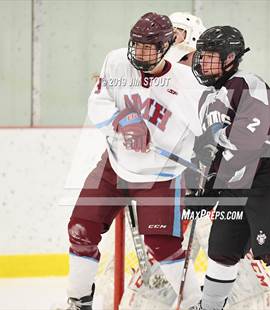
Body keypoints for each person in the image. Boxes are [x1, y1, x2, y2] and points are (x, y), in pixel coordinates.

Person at [66, 12, 204, 310]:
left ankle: (195, 303)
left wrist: (159, 137)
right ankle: (78, 302)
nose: (140, 53)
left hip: (160, 174)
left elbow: (201, 129)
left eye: (149, 47)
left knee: (162, 244)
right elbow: (99, 100)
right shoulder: (116, 61)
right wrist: (124, 118)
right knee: (81, 228)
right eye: (137, 45)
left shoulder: (188, 83)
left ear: (167, 46)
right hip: (114, 166)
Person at [186, 26, 270, 310]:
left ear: (230, 57)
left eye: (210, 57)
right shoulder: (207, 98)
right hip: (234, 183)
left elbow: (247, 144)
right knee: (221, 251)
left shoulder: (248, 84)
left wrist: (213, 186)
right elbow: (204, 149)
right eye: (202, 56)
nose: (203, 63)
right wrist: (197, 188)